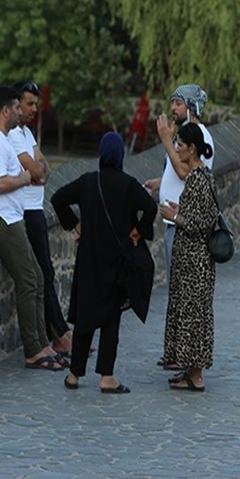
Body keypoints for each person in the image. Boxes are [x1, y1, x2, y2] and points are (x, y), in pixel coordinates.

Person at [52, 132, 156, 393]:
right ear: (120, 155)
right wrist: (138, 231)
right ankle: (106, 376)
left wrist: (76, 224)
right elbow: (150, 208)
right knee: (111, 318)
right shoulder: (128, 185)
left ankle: (74, 374)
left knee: (86, 316)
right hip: (117, 258)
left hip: (89, 258)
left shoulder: (89, 182)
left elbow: (57, 199)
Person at [0, 86, 62, 371]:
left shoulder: (1, 139)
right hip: (0, 220)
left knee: (35, 276)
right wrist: (24, 178)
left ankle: (43, 343)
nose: (22, 112)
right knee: (28, 280)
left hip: (11, 218)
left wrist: (24, 177)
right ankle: (33, 350)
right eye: (17, 107)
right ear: (6, 110)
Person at [9, 81, 73, 358]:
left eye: (36, 103)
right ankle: (59, 336)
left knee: (47, 272)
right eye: (29, 104)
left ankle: (61, 332)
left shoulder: (26, 132)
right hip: (25, 211)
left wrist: (39, 174)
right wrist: (38, 173)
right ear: (16, 105)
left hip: (36, 209)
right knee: (42, 273)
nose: (35, 108)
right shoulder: (12, 135)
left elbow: (44, 169)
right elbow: (36, 170)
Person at [154, 124, 218, 392]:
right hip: (192, 259)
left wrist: (174, 217)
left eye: (180, 144)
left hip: (195, 261)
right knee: (191, 313)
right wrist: (183, 209)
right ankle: (191, 370)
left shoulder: (197, 177)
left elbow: (202, 222)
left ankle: (196, 375)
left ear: (192, 149)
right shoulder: (201, 176)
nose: (176, 148)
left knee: (194, 314)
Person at [144, 84, 214, 283]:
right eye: (172, 103)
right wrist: (161, 182)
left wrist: (166, 140)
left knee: (181, 286)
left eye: (178, 103)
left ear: (191, 107)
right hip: (176, 221)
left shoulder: (199, 136)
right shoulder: (187, 134)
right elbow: (180, 170)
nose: (173, 108)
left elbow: (187, 173)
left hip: (185, 223)